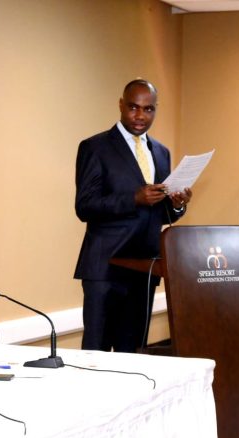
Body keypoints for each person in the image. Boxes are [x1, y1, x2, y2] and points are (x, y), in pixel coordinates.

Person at [74, 79, 192, 353]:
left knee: (134, 355)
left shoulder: (161, 152)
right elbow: (84, 206)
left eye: (148, 109)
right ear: (121, 105)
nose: (140, 116)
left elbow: (161, 213)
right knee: (96, 355)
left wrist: (177, 205)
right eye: (133, 107)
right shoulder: (95, 147)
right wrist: (133, 198)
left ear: (155, 109)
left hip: (145, 268)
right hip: (104, 268)